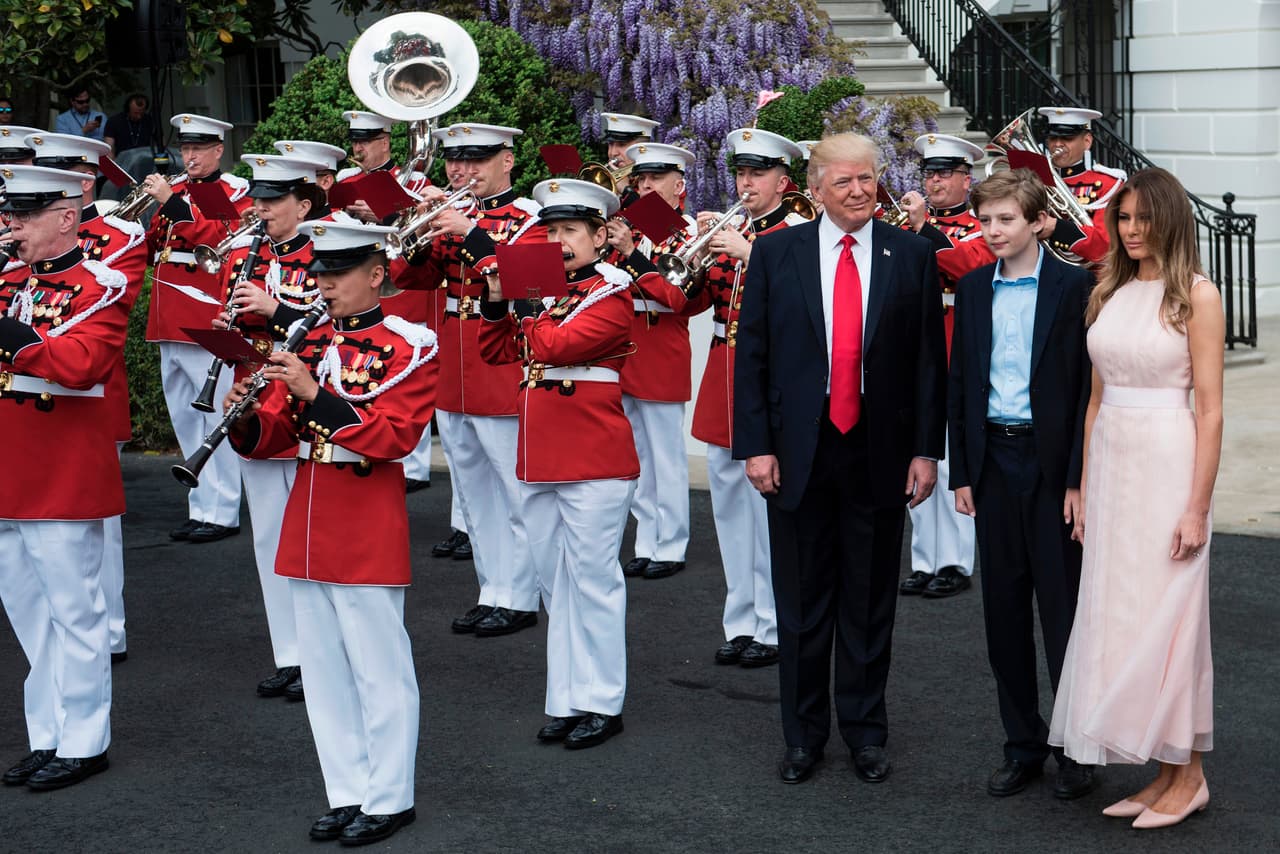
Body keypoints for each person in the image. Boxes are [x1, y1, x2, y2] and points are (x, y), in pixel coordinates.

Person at [733, 133, 947, 785]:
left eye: (868, 180)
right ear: (816, 187)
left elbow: (927, 366)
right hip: (799, 451)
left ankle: (864, 731)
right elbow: (754, 356)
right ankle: (803, 737)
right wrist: (757, 445)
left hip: (880, 451)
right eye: (845, 182)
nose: (859, 192)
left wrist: (925, 452)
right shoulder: (776, 253)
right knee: (800, 605)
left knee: (869, 599)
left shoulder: (910, 254)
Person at [227, 218, 437, 845]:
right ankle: (347, 791)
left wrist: (312, 393)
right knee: (321, 671)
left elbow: (395, 435)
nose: (324, 284)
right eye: (319, 273)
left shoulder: (411, 342)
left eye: (338, 273)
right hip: (309, 515)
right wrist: (244, 419)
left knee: (379, 666)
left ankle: (391, 796)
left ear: (376, 274)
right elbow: (275, 432)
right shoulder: (307, 337)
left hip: (366, 514)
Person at [1049, 167, 1223, 829]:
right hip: (1114, 467)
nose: (1131, 230)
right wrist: (1086, 487)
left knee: (1172, 619)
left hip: (1168, 463)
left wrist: (1196, 507)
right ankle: (1163, 771)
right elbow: (1093, 403)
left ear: (1170, 220)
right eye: (1123, 219)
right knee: (1122, 616)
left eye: (1144, 219)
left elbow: (1210, 412)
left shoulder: (1198, 297)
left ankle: (1192, 776)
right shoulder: (1109, 290)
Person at [947, 168, 1096, 800]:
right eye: (985, 220)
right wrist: (963, 471)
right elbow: (962, 382)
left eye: (1006, 220)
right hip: (993, 462)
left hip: (1050, 461)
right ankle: (1023, 744)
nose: (992, 231)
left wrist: (1076, 478)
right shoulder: (976, 288)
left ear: (1039, 222)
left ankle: (1076, 748)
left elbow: (1090, 387)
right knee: (1003, 613)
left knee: (1063, 610)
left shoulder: (1075, 287)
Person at [477, 178, 641, 749]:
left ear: (601, 235)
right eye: (551, 231)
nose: (559, 241)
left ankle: (603, 701)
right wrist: (497, 301)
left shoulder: (612, 293)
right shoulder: (547, 294)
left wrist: (522, 300)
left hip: (594, 456)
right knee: (555, 584)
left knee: (594, 580)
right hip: (542, 453)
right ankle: (568, 699)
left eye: (571, 230)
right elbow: (496, 351)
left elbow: (551, 348)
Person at [0, 165, 132, 790]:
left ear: (65, 218)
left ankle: (85, 741)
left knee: (75, 613)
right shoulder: (6, 281)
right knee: (28, 615)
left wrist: (12, 337)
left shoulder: (99, 283)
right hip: (8, 470)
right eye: (9, 215)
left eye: (23, 217)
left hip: (62, 472)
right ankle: (48, 732)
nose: (10, 226)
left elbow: (80, 364)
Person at [402, 122, 545, 636]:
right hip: (454, 367)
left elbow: (532, 286)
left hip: (501, 363)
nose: (462, 171)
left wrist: (471, 233)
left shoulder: (531, 216)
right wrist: (417, 231)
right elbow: (408, 279)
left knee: (515, 490)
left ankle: (524, 595)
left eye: (476, 160)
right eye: (455, 161)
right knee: (472, 493)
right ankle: (493, 589)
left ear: (507, 159)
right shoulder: (453, 215)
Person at [27, 132, 149, 665]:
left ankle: (112, 628)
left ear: (81, 183)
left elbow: (95, 314)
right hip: (29, 408)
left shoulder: (118, 236)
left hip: (85, 386)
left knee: (94, 528)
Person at [212, 153, 329, 701]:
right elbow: (235, 315)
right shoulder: (242, 252)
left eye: (273, 201)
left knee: (312, 533)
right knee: (267, 537)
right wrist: (223, 326)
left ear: (303, 204)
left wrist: (274, 309)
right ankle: (291, 653)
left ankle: (322, 654)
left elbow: (331, 323)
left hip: (303, 399)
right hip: (253, 395)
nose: (259, 209)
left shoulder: (331, 250)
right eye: (257, 199)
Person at [689, 127, 807, 668]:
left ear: (784, 180)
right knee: (729, 511)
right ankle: (740, 619)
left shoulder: (800, 231)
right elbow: (684, 303)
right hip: (723, 376)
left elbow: (805, 300)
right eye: (741, 173)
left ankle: (775, 623)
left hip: (768, 375)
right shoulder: (733, 229)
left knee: (767, 513)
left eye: (757, 174)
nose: (746, 182)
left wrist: (749, 251)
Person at [143, 113, 251, 544]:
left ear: (218, 150)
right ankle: (200, 505)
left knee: (215, 416)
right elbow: (157, 245)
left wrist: (174, 204)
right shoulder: (179, 190)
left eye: (198, 149)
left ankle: (223, 510)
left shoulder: (233, 192)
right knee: (185, 419)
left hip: (203, 311)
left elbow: (225, 241)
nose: (190, 156)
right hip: (167, 313)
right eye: (185, 149)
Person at [895, 133, 990, 599]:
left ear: (966, 179)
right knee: (916, 454)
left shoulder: (976, 226)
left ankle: (955, 559)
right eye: (929, 173)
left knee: (951, 462)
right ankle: (924, 557)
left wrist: (921, 232)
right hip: (913, 350)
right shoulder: (910, 225)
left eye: (944, 173)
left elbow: (969, 265)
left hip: (955, 349)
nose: (934, 181)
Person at [606, 141, 698, 580]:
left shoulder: (688, 232)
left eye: (655, 179)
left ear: (678, 184)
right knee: (636, 453)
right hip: (627, 346)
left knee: (666, 455)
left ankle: (672, 543)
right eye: (640, 179)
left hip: (661, 346)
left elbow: (676, 298)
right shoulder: (631, 229)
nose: (644, 186)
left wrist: (632, 255)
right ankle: (646, 539)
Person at [333, 110, 436, 491]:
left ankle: (415, 466)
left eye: (366, 140)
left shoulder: (417, 180)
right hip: (361, 285)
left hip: (400, 285)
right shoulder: (347, 181)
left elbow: (421, 228)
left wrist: (386, 214)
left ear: (385, 141)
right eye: (355, 140)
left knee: (404, 372)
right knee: (368, 374)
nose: (358, 148)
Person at [1036, 106, 1127, 264]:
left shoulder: (1108, 183)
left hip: (1091, 276)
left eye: (1067, 138)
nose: (1057, 144)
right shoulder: (1036, 180)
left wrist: (1057, 228)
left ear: (1087, 142)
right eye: (1052, 138)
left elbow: (1105, 246)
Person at [598, 112, 658, 205]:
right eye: (610, 144)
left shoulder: (661, 179)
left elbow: (659, 218)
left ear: (641, 148)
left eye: (622, 144)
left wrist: (626, 190)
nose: (613, 153)